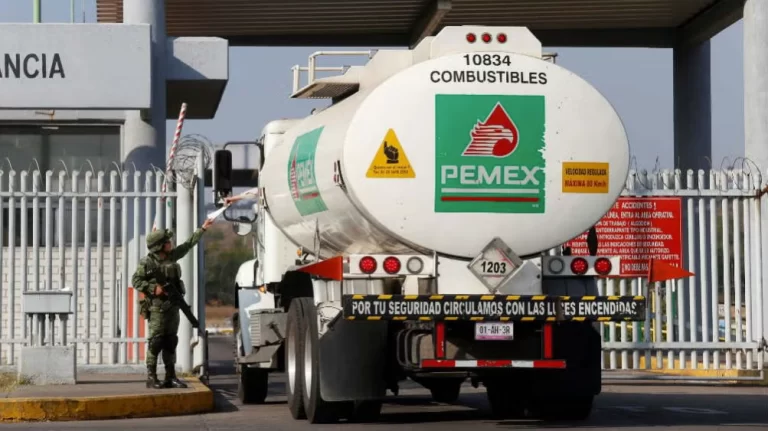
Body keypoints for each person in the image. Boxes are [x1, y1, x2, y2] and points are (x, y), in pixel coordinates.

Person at [133, 218, 214, 389]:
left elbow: (187, 245)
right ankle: (152, 377)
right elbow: (136, 281)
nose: (170, 243)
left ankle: (170, 376)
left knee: (171, 341)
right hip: (157, 308)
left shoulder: (171, 256)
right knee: (156, 342)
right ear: (159, 246)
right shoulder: (147, 262)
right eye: (167, 242)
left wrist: (202, 229)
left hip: (172, 307)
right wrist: (153, 288)